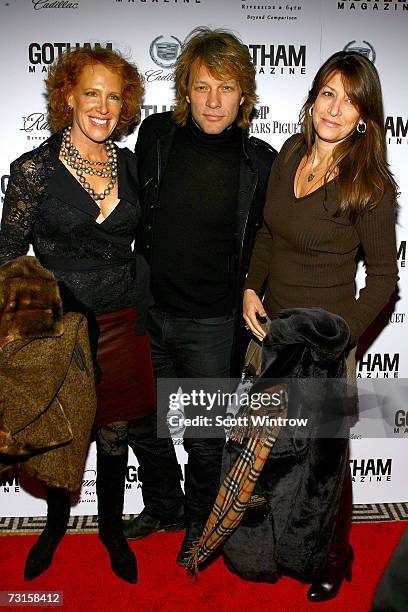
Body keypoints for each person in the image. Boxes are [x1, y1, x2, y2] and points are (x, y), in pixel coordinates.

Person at [243, 51, 398, 602]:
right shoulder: (288, 155)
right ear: (313, 98)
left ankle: (336, 552)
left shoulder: (371, 183)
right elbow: (267, 234)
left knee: (326, 458)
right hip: (274, 334)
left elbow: (382, 280)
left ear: (364, 113)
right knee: (274, 452)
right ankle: (285, 547)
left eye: (349, 99)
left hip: (327, 341)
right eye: (327, 93)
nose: (335, 108)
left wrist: (339, 336)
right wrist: (249, 288)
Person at [0, 47, 155, 584]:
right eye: (92, 92)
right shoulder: (33, 171)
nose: (102, 106)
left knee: (114, 434)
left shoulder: (132, 166)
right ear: (68, 96)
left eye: (114, 96)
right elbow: (9, 258)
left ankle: (111, 530)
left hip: (121, 319)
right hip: (62, 329)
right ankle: (55, 525)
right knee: (63, 435)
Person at [123, 27, 277, 567]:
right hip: (151, 312)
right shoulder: (156, 135)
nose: (214, 100)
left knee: (207, 441)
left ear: (244, 95)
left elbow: (267, 239)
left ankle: (199, 523)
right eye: (203, 86)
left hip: (213, 323)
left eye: (227, 88)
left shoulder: (261, 161)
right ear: (186, 89)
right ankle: (162, 506)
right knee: (148, 425)